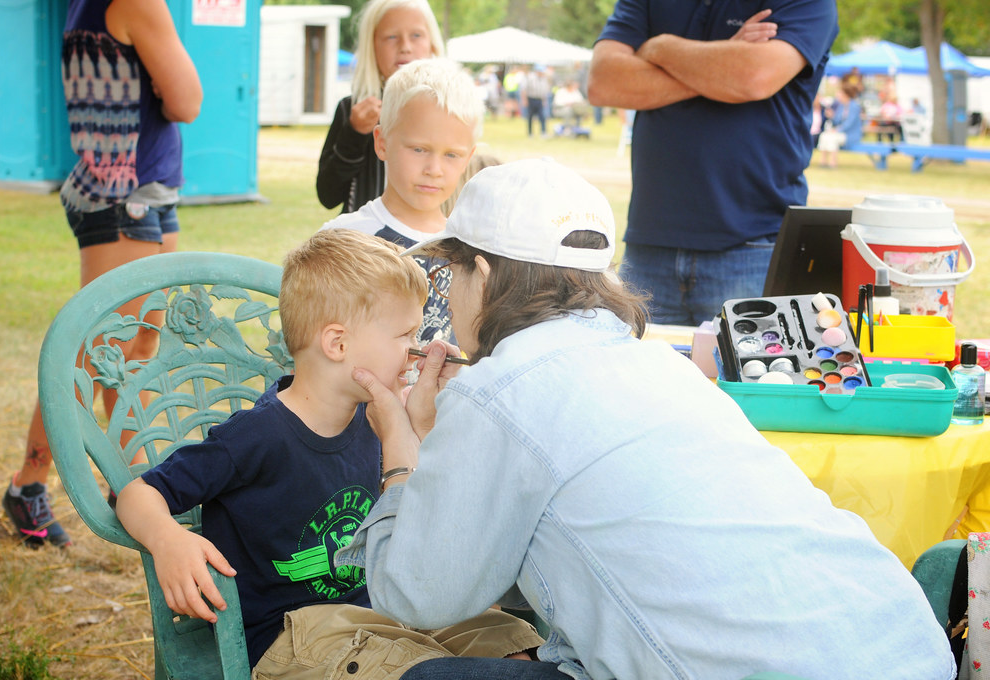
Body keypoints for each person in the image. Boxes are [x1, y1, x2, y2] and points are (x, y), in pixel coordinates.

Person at [334, 159, 956, 680]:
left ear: (486, 273)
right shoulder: (664, 367)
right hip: (904, 651)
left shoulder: (503, 391)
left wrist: (404, 451)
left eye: (450, 273)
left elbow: (417, 595)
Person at [115, 229, 544, 676]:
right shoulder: (256, 437)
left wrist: (420, 430)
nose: (418, 349)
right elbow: (138, 494)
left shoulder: (379, 421)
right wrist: (168, 539)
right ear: (338, 344)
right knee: (424, 668)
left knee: (503, 637)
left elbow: (424, 522)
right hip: (298, 636)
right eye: (406, 334)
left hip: (385, 615)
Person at [1, 0, 202, 549]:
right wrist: (165, 82)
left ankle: (130, 484)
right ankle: (29, 484)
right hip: (122, 198)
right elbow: (187, 100)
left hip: (148, 191)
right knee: (92, 351)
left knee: (136, 347)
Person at [587, 1, 839, 326]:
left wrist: (660, 47)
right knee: (639, 375)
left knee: (747, 376)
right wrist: (722, 63)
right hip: (650, 244)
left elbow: (753, 78)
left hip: (752, 246)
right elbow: (604, 82)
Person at [322, 57, 484, 348]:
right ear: (382, 142)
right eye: (419, 149)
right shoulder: (344, 240)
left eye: (451, 155)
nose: (434, 168)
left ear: (468, 159)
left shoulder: (473, 251)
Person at [316, 0, 443, 214]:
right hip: (363, 243)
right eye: (391, 37)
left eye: (416, 35)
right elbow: (328, 195)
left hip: (428, 242)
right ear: (371, 46)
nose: (405, 46)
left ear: (432, 44)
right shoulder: (353, 109)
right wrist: (354, 134)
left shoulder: (451, 110)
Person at [817, 83, 862, 168]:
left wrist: (837, 130)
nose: (838, 95)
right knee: (824, 135)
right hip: (840, 133)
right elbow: (837, 121)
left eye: (840, 93)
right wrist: (832, 116)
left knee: (832, 137)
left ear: (846, 94)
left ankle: (833, 163)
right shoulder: (841, 106)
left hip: (850, 134)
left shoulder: (854, 106)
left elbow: (849, 123)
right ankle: (823, 162)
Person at [521, 65, 550, 138]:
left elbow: (544, 91)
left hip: (540, 99)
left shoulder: (544, 79)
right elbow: (524, 89)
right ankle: (530, 133)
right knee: (530, 116)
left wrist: (544, 100)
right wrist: (524, 100)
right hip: (531, 99)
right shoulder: (530, 78)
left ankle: (543, 132)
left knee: (542, 116)